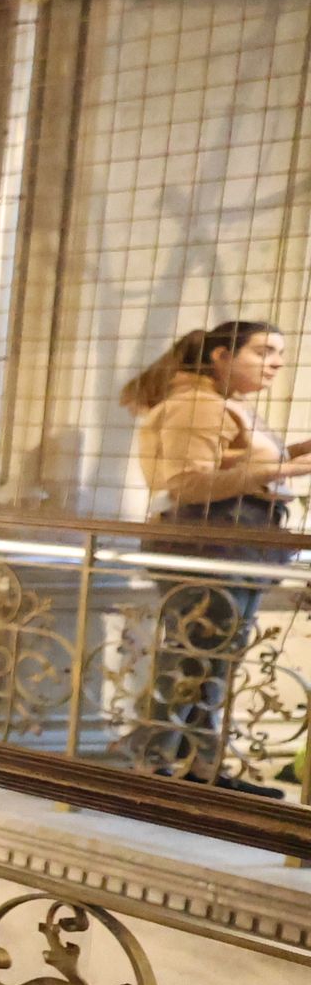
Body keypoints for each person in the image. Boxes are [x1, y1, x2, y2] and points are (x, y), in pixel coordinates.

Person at [123, 318, 311, 784]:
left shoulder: (221, 404)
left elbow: (234, 465)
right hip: (211, 542)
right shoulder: (198, 405)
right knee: (195, 657)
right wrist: (281, 471)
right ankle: (150, 764)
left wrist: (291, 456)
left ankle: (199, 766)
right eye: (263, 352)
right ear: (221, 357)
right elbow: (186, 484)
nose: (276, 363)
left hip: (231, 544)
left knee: (212, 660)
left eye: (280, 353)